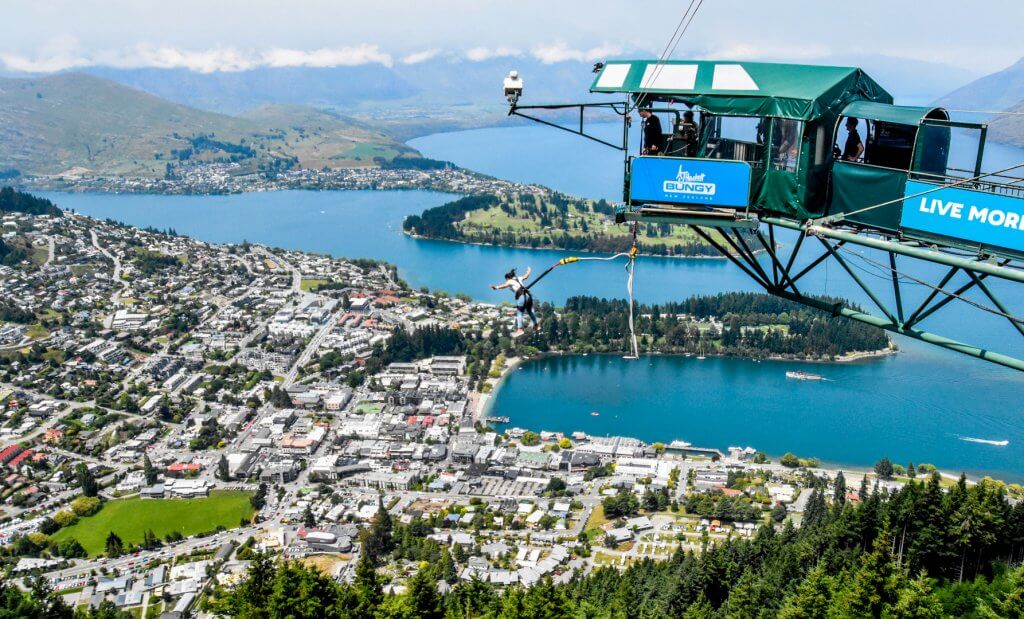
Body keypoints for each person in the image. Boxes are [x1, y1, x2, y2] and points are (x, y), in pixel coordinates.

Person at [490, 267, 537, 336]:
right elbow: (526, 276)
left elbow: (504, 286)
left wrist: (496, 287)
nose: (505, 281)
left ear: (507, 278)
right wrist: (529, 271)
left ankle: (520, 329)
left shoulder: (509, 281)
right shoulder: (519, 278)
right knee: (529, 311)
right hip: (528, 296)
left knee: (519, 313)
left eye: (505, 280)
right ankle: (536, 325)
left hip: (522, 297)